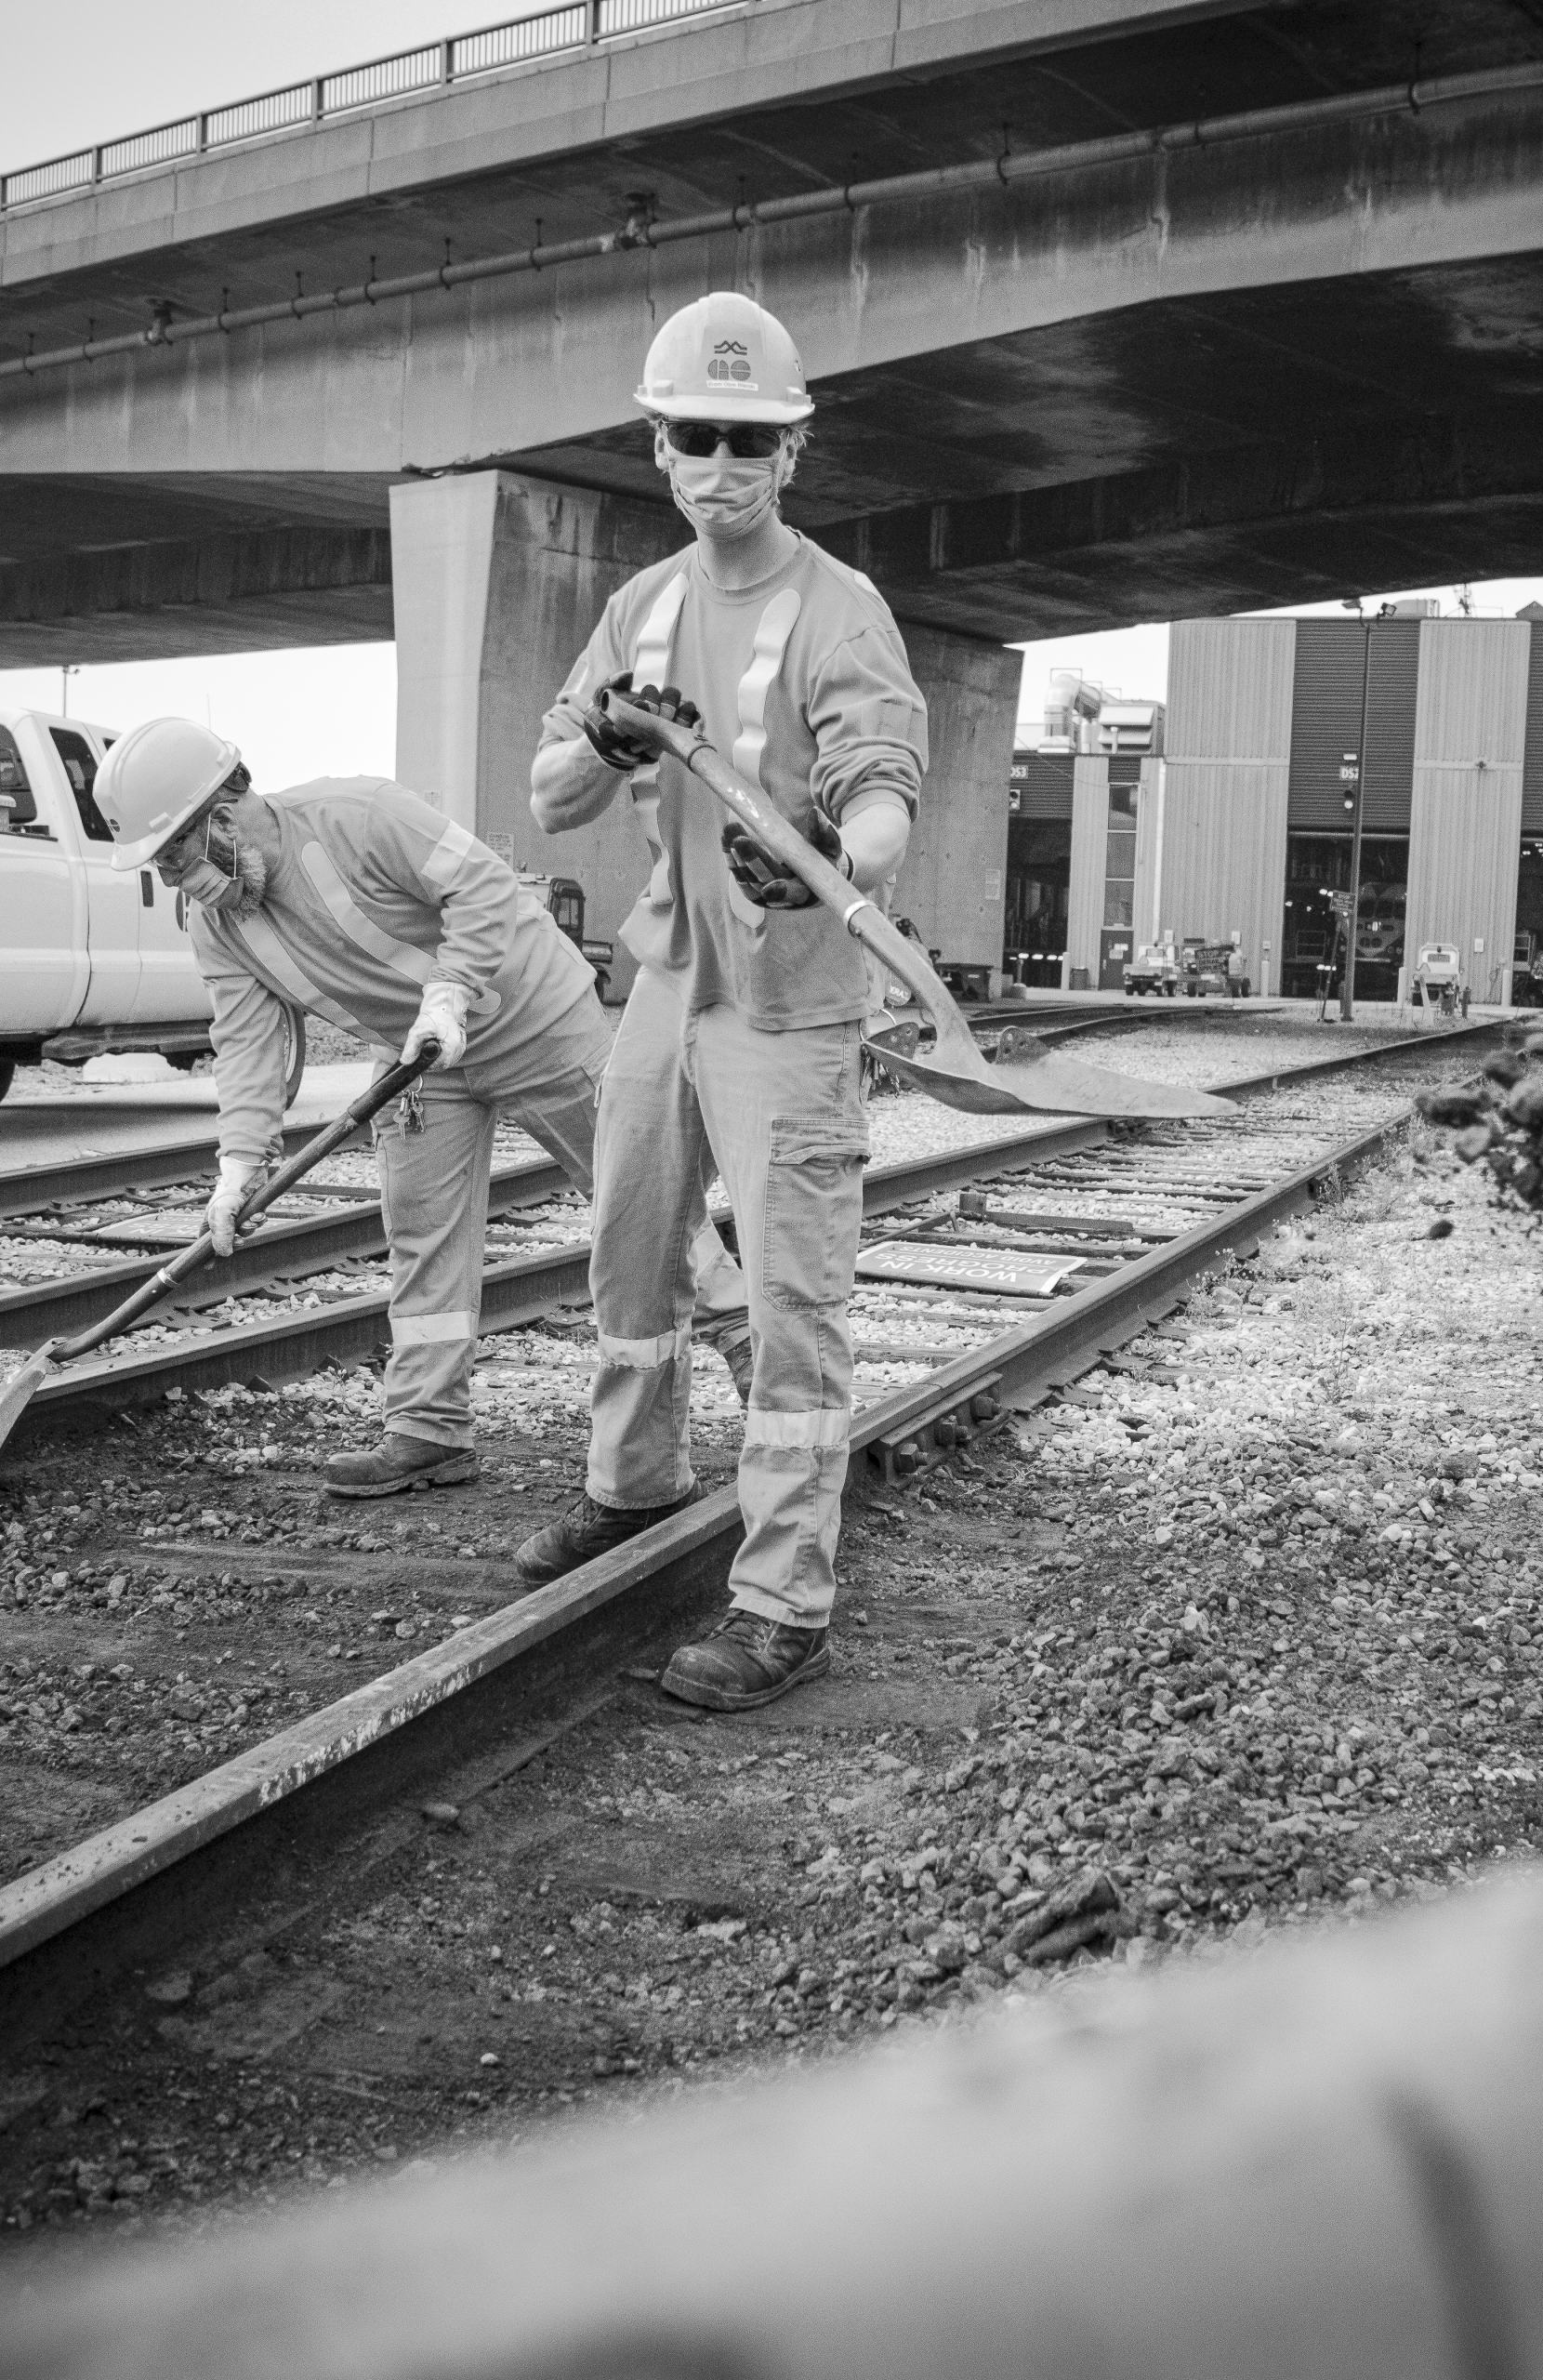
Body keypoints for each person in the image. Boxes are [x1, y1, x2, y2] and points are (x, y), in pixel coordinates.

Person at [508, 289, 929, 1714]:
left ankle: (782, 1601)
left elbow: (881, 785)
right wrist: (601, 729)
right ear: (663, 449)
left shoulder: (839, 608)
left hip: (792, 1006)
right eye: (701, 435)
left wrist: (830, 865)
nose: (726, 464)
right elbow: (552, 793)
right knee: (632, 1256)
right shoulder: (643, 606)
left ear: (793, 454)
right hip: (666, 986)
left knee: (794, 1302)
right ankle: (632, 1493)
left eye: (754, 440)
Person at [98, 717, 611, 1498]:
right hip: (417, 1062)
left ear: (222, 815)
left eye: (175, 857)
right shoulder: (218, 924)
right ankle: (428, 1429)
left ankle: (754, 1366)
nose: (174, 881)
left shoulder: (362, 813)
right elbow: (246, 1044)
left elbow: (480, 884)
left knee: (636, 1205)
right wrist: (238, 1164)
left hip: (534, 1018)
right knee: (421, 1237)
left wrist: (452, 990)